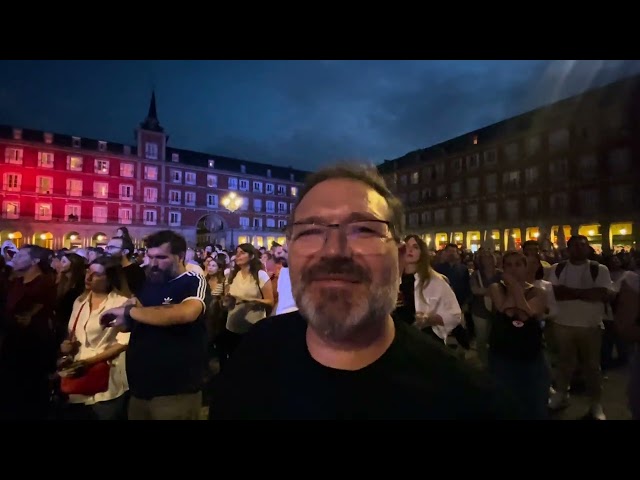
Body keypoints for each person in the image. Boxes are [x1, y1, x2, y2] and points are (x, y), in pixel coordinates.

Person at [210, 163, 521, 420]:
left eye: (363, 230)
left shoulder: (471, 403)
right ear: (289, 253)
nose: (333, 251)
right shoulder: (255, 352)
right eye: (310, 231)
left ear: (399, 259)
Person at [99, 230, 210, 420]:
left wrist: (129, 312)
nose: (153, 263)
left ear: (180, 256)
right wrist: (125, 320)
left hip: (175, 389)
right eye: (150, 257)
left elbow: (186, 313)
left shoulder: (193, 281)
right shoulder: (151, 280)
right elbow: (141, 312)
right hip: (140, 388)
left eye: (161, 257)